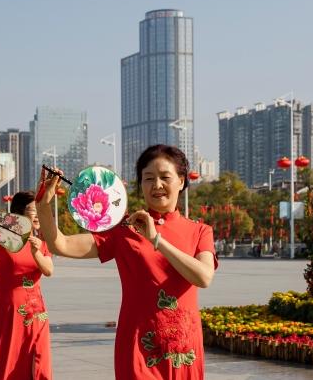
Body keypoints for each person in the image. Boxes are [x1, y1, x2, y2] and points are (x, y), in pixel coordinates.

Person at [37, 145, 217, 379]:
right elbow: (60, 244)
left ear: (181, 181)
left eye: (165, 177)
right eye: (148, 178)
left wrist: (155, 239)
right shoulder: (124, 230)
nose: (157, 185)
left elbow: (203, 277)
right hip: (138, 348)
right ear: (141, 184)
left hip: (183, 348)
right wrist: (43, 207)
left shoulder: (200, 231)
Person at [0, 191, 54, 380]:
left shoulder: (41, 241)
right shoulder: (3, 235)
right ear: (19, 213)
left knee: (39, 360)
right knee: (9, 360)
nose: (38, 214)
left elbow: (48, 270)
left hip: (37, 311)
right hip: (10, 311)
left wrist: (37, 251)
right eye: (33, 209)